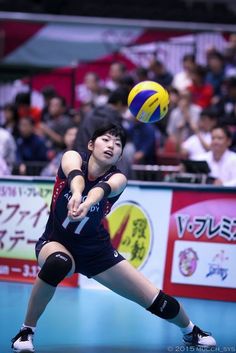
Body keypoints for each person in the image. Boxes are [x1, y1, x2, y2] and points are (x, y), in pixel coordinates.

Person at [11, 123, 216, 352]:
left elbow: (103, 189)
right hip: (56, 241)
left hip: (97, 251)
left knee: (157, 300)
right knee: (59, 262)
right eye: (106, 140)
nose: (111, 146)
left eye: (118, 144)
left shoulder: (119, 178)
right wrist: (77, 194)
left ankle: (190, 330)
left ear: (119, 155)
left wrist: (87, 202)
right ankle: (26, 331)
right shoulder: (72, 156)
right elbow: (76, 176)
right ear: (91, 144)